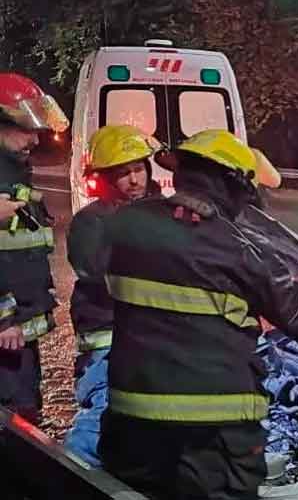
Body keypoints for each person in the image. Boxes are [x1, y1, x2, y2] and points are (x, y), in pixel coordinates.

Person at [99, 129, 298, 500]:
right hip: (212, 434)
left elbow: (91, 265)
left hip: (131, 422)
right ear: (234, 186)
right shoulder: (243, 251)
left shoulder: (127, 224)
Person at [64, 125, 159, 467]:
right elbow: (96, 271)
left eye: (138, 170)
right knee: (105, 415)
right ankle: (76, 475)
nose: (134, 180)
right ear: (104, 178)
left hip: (148, 336)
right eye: (123, 174)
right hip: (107, 337)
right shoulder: (91, 222)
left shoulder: (159, 214)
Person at [0, 72, 69, 424]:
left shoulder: (14, 171)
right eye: (27, 127)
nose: (36, 136)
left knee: (24, 412)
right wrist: (4, 318)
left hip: (17, 333)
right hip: (6, 333)